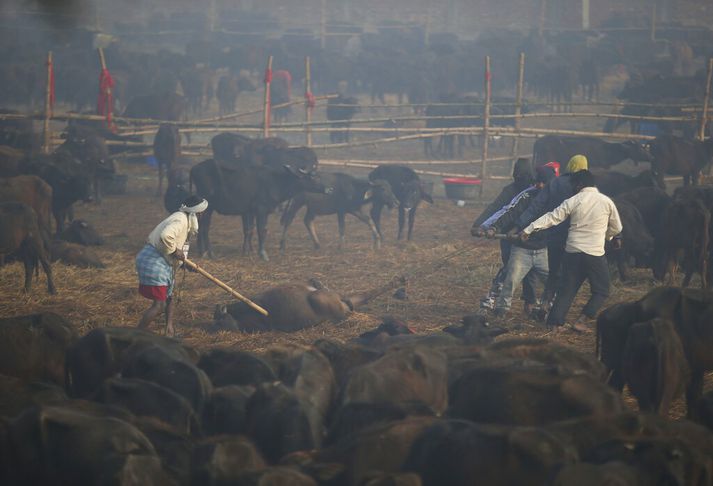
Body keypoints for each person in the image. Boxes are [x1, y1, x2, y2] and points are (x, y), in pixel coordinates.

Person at [519, 170, 623, 332]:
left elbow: (552, 217)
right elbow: (617, 227)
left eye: (574, 185)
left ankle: (554, 323)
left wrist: (529, 229)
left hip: (572, 251)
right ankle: (582, 320)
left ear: (579, 184)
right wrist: (608, 237)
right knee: (602, 290)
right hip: (594, 253)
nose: (572, 188)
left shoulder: (574, 200)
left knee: (567, 289)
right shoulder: (606, 201)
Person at [476, 165, 556, 317]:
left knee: (553, 283)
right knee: (510, 281)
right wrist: (493, 227)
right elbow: (509, 211)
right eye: (538, 182)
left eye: (543, 183)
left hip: (544, 250)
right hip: (522, 249)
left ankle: (548, 309)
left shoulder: (557, 199)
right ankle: (501, 311)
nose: (539, 185)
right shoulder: (527, 196)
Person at [514, 154, 589, 310]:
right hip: (576, 238)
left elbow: (535, 206)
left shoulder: (555, 183)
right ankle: (556, 308)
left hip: (554, 236)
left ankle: (545, 304)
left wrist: (519, 226)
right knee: (568, 276)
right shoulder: (585, 188)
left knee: (553, 273)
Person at [135, 195, 208, 336]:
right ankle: (136, 335)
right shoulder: (180, 219)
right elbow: (166, 236)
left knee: (170, 298)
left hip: (164, 261)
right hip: (154, 260)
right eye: (202, 211)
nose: (203, 214)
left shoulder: (186, 221)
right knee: (159, 305)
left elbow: (179, 249)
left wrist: (186, 265)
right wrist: (175, 251)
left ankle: (169, 331)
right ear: (197, 212)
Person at [471, 158, 537, 309]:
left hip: (530, 236)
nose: (518, 178)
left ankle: (530, 301)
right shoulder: (510, 190)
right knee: (509, 267)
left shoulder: (536, 191)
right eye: (516, 175)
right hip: (507, 235)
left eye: (521, 175)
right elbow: (494, 208)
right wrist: (479, 225)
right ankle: (494, 299)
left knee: (530, 271)